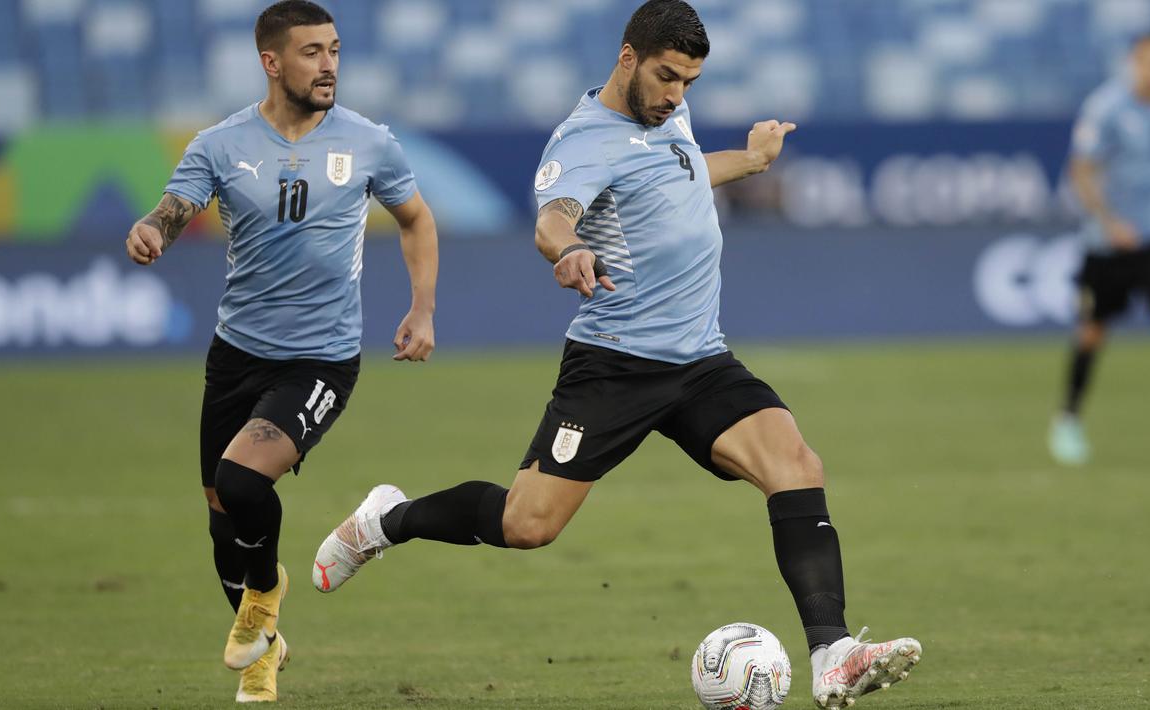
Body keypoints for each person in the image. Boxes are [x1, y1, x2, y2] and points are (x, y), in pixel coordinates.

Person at [313, 1, 918, 707]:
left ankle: (832, 652)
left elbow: (677, 170)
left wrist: (749, 161)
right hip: (614, 366)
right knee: (527, 525)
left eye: (688, 83)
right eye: (665, 77)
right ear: (627, 57)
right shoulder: (581, 141)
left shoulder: (665, 117)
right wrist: (568, 250)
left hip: (698, 359)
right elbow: (551, 219)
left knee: (796, 465)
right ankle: (386, 520)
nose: (674, 95)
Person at [124, 0, 438, 702]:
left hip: (320, 360)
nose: (328, 64)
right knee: (220, 514)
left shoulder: (368, 141)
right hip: (236, 354)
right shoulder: (220, 143)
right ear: (271, 62)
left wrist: (421, 309)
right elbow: (176, 207)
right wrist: (152, 228)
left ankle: (264, 598)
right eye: (310, 52)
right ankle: (265, 647)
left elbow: (415, 219)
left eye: (333, 50)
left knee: (242, 482)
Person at [1050, 31, 1150, 465]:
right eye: (1149, 62)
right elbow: (1082, 170)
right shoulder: (1105, 108)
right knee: (1092, 334)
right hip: (1109, 244)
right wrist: (1109, 222)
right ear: (1134, 62)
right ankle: (1068, 418)